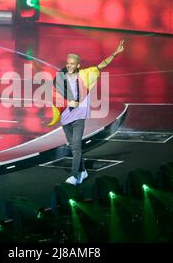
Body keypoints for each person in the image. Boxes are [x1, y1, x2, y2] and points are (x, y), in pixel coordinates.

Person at [48, 39, 126, 185]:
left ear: (78, 65)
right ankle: (83, 171)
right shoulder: (61, 77)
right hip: (66, 117)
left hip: (79, 117)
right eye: (68, 63)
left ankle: (75, 176)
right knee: (72, 146)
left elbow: (101, 65)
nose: (69, 65)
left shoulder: (86, 74)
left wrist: (115, 53)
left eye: (72, 63)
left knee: (76, 146)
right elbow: (56, 92)